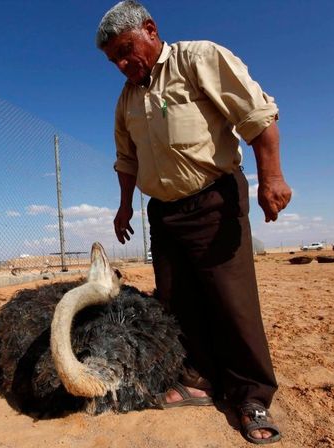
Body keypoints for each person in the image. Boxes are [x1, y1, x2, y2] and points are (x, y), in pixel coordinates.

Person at [96, 1, 291, 445]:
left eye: (127, 51)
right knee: (177, 300)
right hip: (163, 213)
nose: (124, 65)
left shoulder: (198, 58)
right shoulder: (127, 98)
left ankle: (250, 396)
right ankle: (200, 380)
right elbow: (127, 159)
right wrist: (125, 206)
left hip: (213, 199)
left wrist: (272, 177)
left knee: (231, 300)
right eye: (114, 61)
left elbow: (257, 116)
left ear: (150, 30)